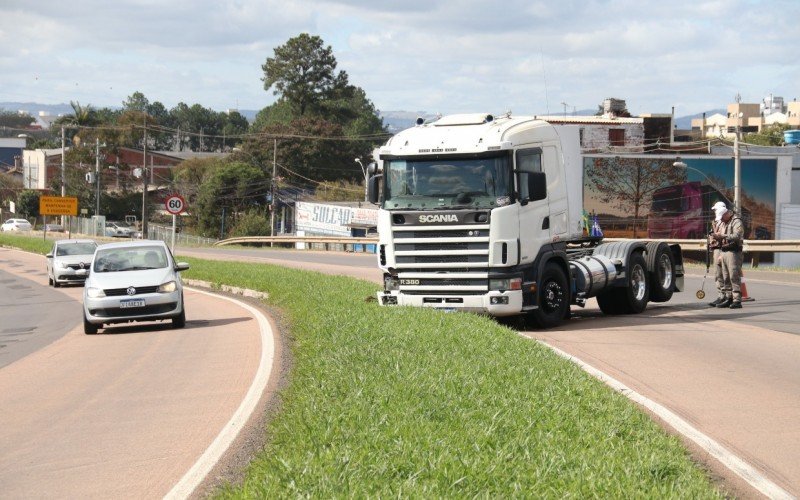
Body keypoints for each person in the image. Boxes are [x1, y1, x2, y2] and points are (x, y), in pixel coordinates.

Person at [711, 202, 745, 309]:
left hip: (733, 252)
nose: (720, 220)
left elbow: (737, 235)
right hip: (724, 251)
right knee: (725, 276)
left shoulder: (736, 221)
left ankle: (737, 300)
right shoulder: (725, 222)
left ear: (726, 214)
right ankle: (729, 297)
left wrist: (723, 235)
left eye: (722, 218)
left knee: (734, 276)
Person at [707, 201, 727, 307]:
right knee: (717, 274)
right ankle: (721, 295)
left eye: (715, 209)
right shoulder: (716, 221)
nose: (714, 211)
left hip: (722, 249)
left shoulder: (725, 221)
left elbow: (724, 235)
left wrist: (715, 235)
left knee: (722, 273)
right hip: (716, 248)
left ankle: (725, 296)